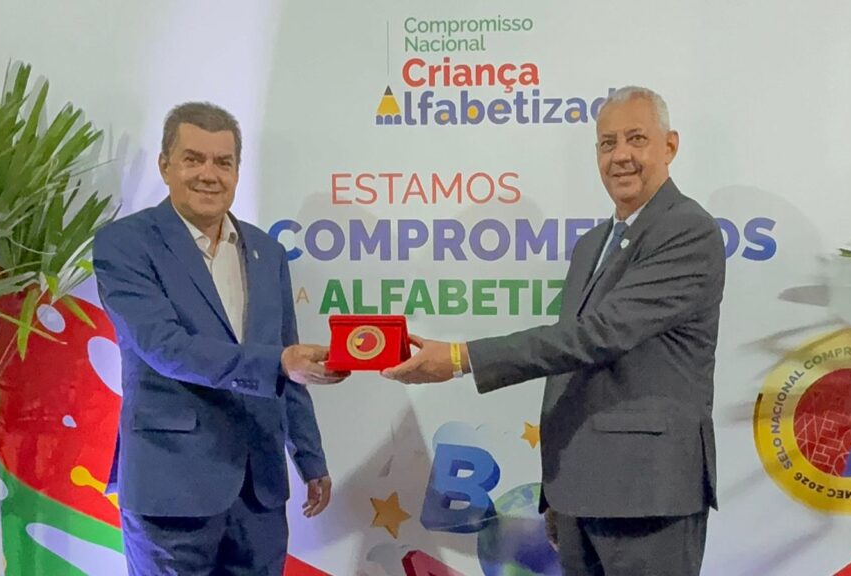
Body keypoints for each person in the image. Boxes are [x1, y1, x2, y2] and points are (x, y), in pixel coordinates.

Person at [382, 86, 725, 575]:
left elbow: (598, 336)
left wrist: (462, 358)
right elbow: (570, 369)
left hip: (649, 495)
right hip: (580, 494)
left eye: (636, 139)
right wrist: (559, 491)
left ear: (669, 146)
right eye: (607, 143)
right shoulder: (592, 244)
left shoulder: (687, 229)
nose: (620, 155)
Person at [93, 102, 347, 575]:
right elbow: (165, 347)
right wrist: (280, 362)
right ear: (165, 166)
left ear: (236, 172)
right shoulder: (124, 244)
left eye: (223, 162)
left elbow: (288, 360)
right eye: (193, 159)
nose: (209, 174)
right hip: (171, 489)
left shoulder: (268, 252)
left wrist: (310, 457)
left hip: (259, 493)